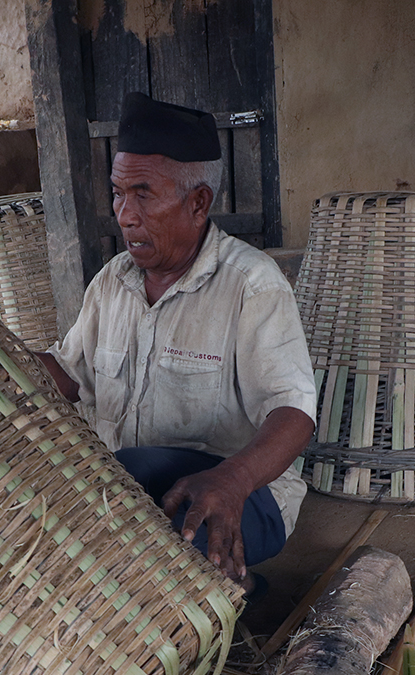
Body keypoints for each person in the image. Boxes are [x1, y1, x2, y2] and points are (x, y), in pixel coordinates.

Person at [36, 92, 316, 592]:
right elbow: (67, 374)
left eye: (143, 194)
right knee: (82, 504)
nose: (124, 214)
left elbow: (292, 414)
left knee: (138, 521)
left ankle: (237, 595)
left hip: (238, 490)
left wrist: (234, 479)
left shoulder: (253, 284)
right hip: (128, 484)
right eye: (118, 193)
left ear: (198, 202)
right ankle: (229, 596)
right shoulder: (111, 282)